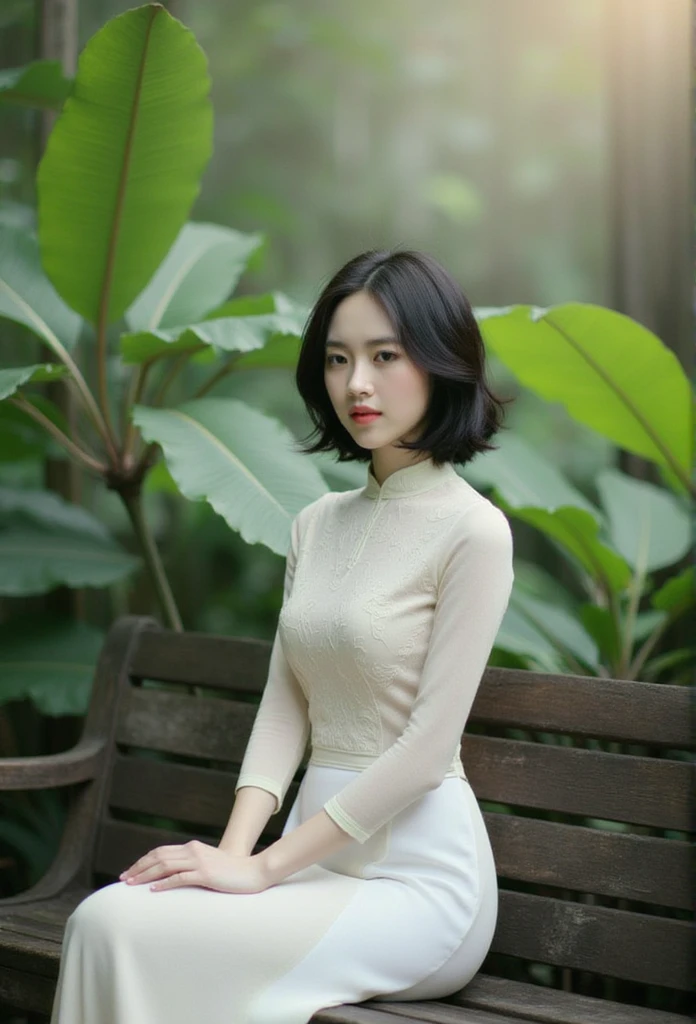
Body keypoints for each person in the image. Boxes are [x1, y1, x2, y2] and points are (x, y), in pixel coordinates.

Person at [49, 248, 515, 1024]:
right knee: (105, 920)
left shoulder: (475, 531)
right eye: (337, 360)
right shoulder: (315, 523)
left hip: (419, 885)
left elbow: (429, 751)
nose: (355, 384)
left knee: (126, 931)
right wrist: (234, 855)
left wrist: (263, 872)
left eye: (384, 356)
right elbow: (283, 710)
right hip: (309, 861)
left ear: (441, 362)